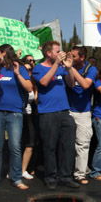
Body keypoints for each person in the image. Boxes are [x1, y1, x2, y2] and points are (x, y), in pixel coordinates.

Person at [33, 41, 81, 189]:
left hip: (64, 111)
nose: (60, 53)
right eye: (57, 51)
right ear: (49, 53)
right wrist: (56, 65)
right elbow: (44, 82)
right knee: (50, 146)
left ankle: (66, 176)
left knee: (67, 146)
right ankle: (51, 177)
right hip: (47, 113)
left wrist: (69, 68)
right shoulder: (38, 68)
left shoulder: (62, 68)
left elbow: (71, 84)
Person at [0, 44, 33, 189]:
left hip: (15, 113)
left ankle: (16, 178)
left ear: (6, 53)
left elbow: (29, 87)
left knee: (15, 146)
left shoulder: (19, 67)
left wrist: (18, 73)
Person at [67, 45, 98, 184]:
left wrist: (71, 68)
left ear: (82, 57)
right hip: (67, 110)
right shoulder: (66, 67)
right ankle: (67, 171)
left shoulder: (91, 69)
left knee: (83, 143)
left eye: (74, 57)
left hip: (83, 112)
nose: (71, 59)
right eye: (70, 56)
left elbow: (85, 85)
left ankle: (80, 174)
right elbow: (70, 84)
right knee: (67, 143)